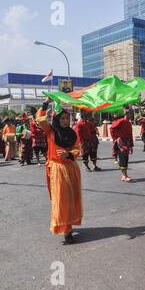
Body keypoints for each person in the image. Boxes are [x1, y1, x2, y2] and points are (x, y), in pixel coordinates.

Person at [37, 98, 82, 244]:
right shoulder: (50, 131)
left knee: (72, 199)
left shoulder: (72, 133)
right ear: (56, 118)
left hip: (71, 169)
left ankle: (68, 226)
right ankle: (66, 231)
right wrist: (45, 103)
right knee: (62, 200)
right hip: (57, 170)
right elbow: (40, 120)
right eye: (62, 118)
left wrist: (69, 154)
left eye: (67, 118)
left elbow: (76, 149)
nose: (65, 121)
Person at [110, 106, 134, 182]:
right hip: (121, 142)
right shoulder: (120, 121)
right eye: (130, 113)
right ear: (126, 114)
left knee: (126, 158)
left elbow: (130, 135)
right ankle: (124, 176)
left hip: (126, 142)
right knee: (123, 158)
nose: (131, 115)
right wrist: (115, 138)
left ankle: (124, 175)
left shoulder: (129, 123)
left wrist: (131, 145)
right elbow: (111, 128)